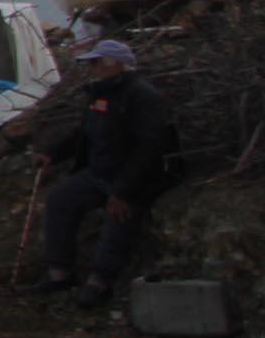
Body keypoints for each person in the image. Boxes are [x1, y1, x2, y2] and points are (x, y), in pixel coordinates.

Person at [27, 36, 179, 308]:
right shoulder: (99, 95)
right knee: (60, 200)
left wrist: (124, 190)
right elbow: (84, 134)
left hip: (134, 179)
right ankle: (59, 272)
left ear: (115, 65)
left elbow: (149, 149)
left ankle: (101, 281)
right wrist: (53, 153)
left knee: (119, 218)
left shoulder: (143, 98)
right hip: (97, 173)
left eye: (96, 64)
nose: (92, 69)